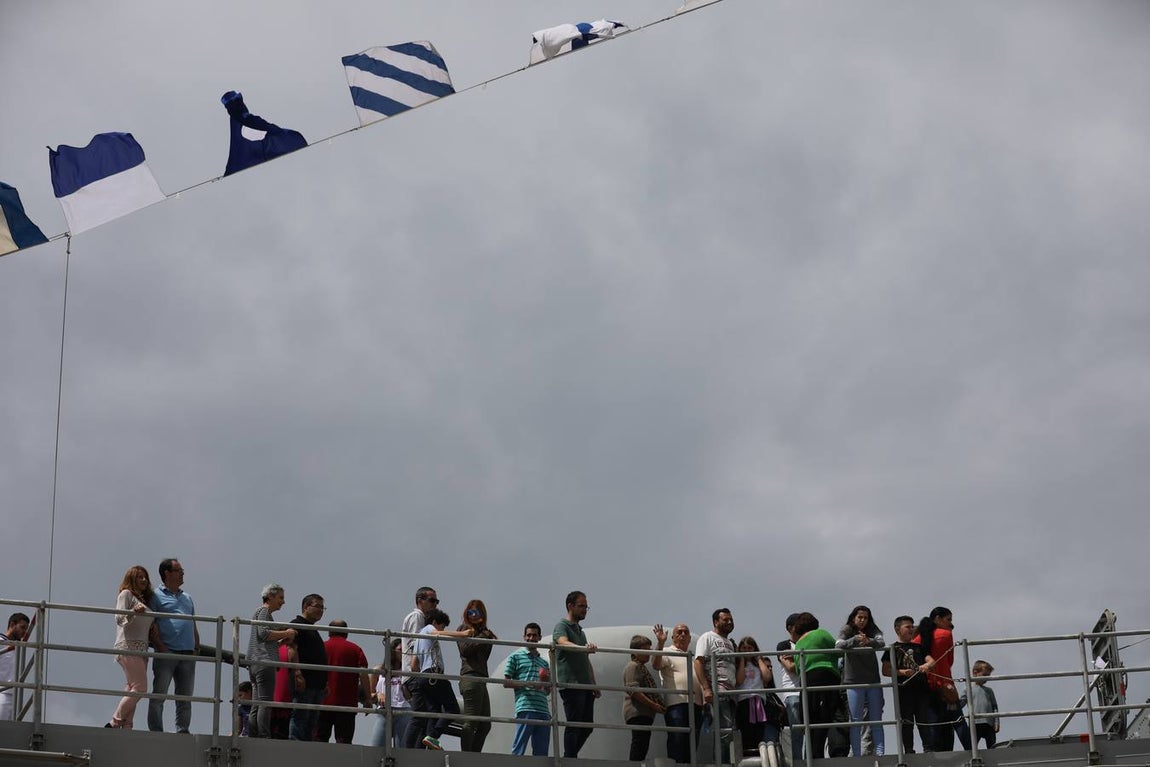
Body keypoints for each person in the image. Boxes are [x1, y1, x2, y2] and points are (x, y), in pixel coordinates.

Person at [405, 608, 474, 750]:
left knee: (434, 712)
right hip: (434, 674)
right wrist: (463, 634)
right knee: (452, 709)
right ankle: (433, 736)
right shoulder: (428, 628)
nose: (442, 629)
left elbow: (413, 665)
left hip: (423, 677)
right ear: (436, 622)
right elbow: (437, 633)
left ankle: (428, 741)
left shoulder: (418, 639)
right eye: (442, 625)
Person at [148, 558, 199, 733]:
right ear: (167, 574)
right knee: (159, 695)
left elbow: (192, 622)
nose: (182, 573)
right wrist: (160, 647)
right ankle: (156, 730)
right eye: (178, 570)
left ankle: (182, 730)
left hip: (187, 653)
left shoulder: (187, 597)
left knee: (185, 698)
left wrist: (196, 646)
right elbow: (151, 623)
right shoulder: (155, 596)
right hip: (167, 651)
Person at [107, 565, 156, 729]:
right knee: (141, 688)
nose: (144, 580)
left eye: (145, 577)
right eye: (139, 577)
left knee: (132, 687)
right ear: (131, 579)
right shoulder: (126, 594)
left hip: (141, 649)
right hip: (128, 646)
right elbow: (119, 617)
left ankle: (127, 724)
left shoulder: (143, 600)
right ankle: (115, 722)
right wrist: (134, 611)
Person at [246, 583, 296, 738]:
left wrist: (281, 640)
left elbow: (264, 638)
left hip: (255, 661)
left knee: (257, 702)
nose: (283, 601)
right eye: (280, 597)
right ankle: (263, 735)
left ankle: (254, 733)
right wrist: (286, 632)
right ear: (271, 596)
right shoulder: (264, 611)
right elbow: (264, 634)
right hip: (264, 662)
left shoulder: (262, 613)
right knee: (265, 702)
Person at [554, 590, 599, 758]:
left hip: (585, 685)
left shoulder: (581, 631)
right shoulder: (562, 626)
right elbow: (562, 642)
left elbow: (586, 660)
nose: (585, 610)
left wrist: (594, 684)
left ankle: (569, 756)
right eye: (581, 606)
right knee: (574, 723)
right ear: (570, 606)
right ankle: (570, 758)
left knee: (587, 726)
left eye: (586, 607)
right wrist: (583, 648)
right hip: (571, 683)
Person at [836, 605, 886, 756]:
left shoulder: (873, 629)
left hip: (873, 681)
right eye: (860, 617)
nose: (863, 620)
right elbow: (838, 645)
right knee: (855, 720)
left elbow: (881, 642)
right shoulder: (847, 630)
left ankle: (880, 752)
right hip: (853, 681)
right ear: (853, 618)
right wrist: (855, 640)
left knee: (876, 719)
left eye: (865, 618)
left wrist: (869, 641)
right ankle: (856, 754)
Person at [882, 615, 933, 754]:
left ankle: (928, 748)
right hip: (904, 690)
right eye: (907, 627)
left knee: (923, 719)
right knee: (906, 721)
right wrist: (903, 672)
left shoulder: (920, 647)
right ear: (897, 629)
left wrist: (926, 666)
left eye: (912, 626)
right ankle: (909, 749)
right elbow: (886, 670)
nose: (911, 629)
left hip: (921, 689)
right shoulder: (892, 649)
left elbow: (931, 661)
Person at [653, 623, 704, 764]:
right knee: (677, 740)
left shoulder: (693, 658)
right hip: (677, 705)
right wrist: (660, 643)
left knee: (692, 743)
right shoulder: (667, 651)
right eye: (679, 632)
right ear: (673, 637)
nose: (682, 634)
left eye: (685, 632)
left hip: (696, 705)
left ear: (689, 638)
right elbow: (656, 664)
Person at [792, 612, 839, 759]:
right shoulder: (821, 633)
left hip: (806, 681)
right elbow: (839, 650)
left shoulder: (798, 643)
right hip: (826, 677)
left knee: (810, 722)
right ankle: (819, 756)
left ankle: (811, 756)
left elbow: (798, 668)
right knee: (825, 717)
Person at [694, 608, 738, 759]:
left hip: (731, 694)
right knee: (724, 733)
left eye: (731, 619)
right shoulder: (707, 637)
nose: (730, 622)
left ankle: (724, 760)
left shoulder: (730, 644)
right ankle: (721, 762)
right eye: (725, 620)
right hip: (717, 692)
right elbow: (698, 662)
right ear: (716, 622)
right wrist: (706, 688)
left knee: (729, 733)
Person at [504, 622, 552, 756]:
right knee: (518, 750)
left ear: (539, 637)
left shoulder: (544, 663)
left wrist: (545, 681)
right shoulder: (515, 657)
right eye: (529, 635)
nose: (531, 638)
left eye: (534, 635)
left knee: (541, 754)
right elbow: (506, 682)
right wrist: (528, 684)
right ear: (524, 637)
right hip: (525, 708)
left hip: (543, 710)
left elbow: (548, 691)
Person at [318, 619, 369, 744]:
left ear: (329, 632)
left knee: (319, 739)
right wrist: (367, 699)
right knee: (344, 742)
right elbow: (363, 673)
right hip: (347, 704)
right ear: (346, 633)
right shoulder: (355, 649)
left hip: (322, 702)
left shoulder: (321, 647)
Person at [913, 607, 958, 751]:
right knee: (950, 724)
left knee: (932, 723)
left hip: (925, 686)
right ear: (938, 619)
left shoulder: (917, 638)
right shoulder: (946, 634)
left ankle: (931, 752)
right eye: (948, 619)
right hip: (944, 685)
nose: (951, 624)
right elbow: (950, 661)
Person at [458, 599, 497, 752]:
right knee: (471, 721)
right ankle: (467, 755)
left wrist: (484, 636)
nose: (473, 615)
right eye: (470, 612)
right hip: (470, 677)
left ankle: (474, 753)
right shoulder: (463, 629)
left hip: (481, 677)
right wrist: (483, 637)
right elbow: (465, 650)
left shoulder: (485, 633)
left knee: (485, 724)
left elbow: (484, 656)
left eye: (477, 612)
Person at [288, 594, 328, 741]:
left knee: (312, 720)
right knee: (300, 716)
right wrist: (297, 673)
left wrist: (325, 682)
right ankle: (296, 745)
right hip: (305, 681)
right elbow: (292, 648)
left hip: (317, 684)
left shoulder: (312, 629)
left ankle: (306, 746)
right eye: (317, 606)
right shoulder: (297, 624)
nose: (321, 610)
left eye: (322, 607)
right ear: (306, 607)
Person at [734, 636, 780, 754]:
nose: (747, 650)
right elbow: (739, 680)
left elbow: (767, 677)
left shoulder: (758, 665)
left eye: (750, 648)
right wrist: (743, 659)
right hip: (744, 701)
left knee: (759, 731)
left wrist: (759, 658)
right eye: (744, 648)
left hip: (758, 701)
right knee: (746, 731)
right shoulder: (738, 664)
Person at [623, 634, 665, 761]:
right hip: (637, 712)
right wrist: (653, 705)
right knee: (639, 743)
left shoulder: (641, 667)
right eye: (645, 650)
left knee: (642, 743)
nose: (648, 653)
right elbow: (633, 690)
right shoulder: (633, 666)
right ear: (635, 652)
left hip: (644, 713)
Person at [370, 638, 412, 748]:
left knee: (401, 751)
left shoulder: (408, 671)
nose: (403, 652)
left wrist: (405, 687)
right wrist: (378, 694)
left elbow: (410, 697)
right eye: (400, 649)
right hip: (384, 712)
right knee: (376, 748)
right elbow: (369, 694)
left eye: (405, 650)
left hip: (404, 711)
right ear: (392, 651)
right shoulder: (378, 670)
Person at [776, 614, 804, 762]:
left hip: (808, 692)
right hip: (792, 693)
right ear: (790, 628)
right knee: (797, 731)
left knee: (811, 730)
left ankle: (809, 759)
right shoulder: (783, 645)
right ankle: (799, 762)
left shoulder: (807, 644)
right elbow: (791, 667)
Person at [955, 660, 999, 750]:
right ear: (975, 673)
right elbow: (962, 703)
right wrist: (954, 708)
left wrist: (996, 722)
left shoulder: (989, 691)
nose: (986, 678)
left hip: (989, 723)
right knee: (971, 747)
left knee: (992, 746)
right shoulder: (968, 689)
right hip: (975, 723)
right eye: (984, 675)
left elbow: (995, 707)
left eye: (988, 676)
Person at [402, 587, 439, 675]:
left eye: (436, 602)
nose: (435, 604)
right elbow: (415, 644)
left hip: (417, 672)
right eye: (432, 600)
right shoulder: (417, 616)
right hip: (414, 673)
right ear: (420, 600)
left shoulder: (422, 619)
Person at [0, 612, 30, 721]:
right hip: (2, 693)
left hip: (13, 695)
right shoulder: (1, 642)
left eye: (26, 629)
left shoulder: (16, 648)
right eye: (22, 628)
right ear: (12, 625)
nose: (24, 632)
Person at [270, 634, 298, 739]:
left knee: (272, 724)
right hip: (285, 691)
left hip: (272, 691)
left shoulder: (273, 650)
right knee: (283, 727)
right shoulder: (290, 651)